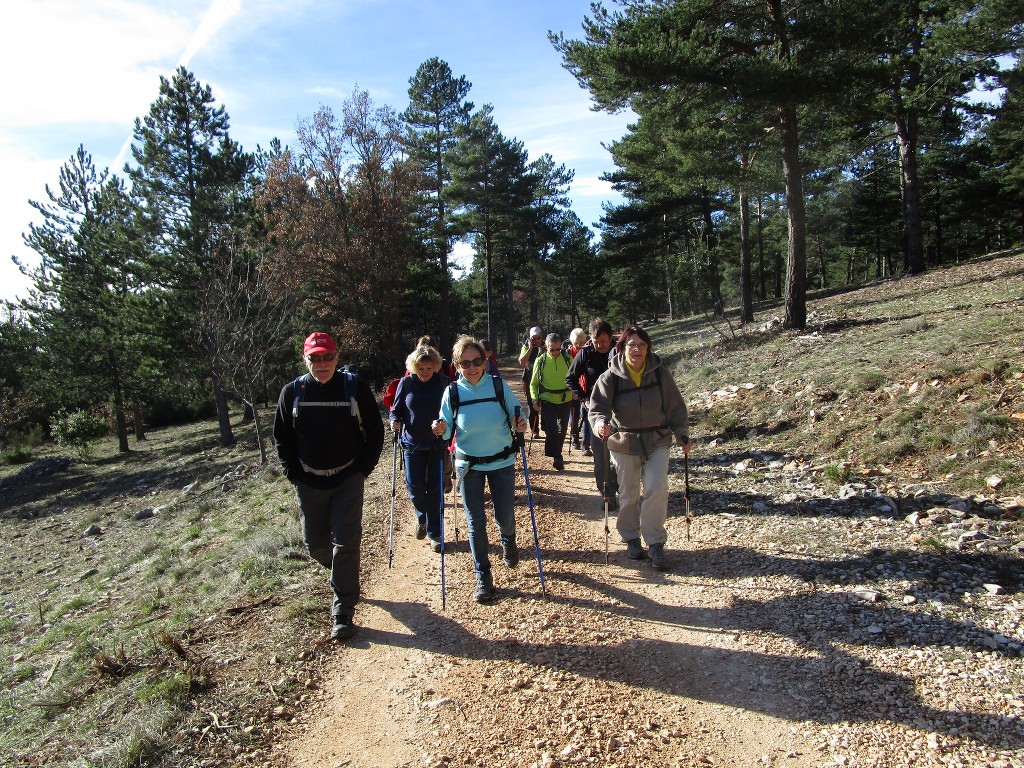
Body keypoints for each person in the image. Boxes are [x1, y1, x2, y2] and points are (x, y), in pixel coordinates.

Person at [274, 331, 385, 640]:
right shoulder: (292, 393)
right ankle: (343, 575)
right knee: (316, 545)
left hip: (348, 477)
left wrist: (363, 470)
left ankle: (343, 611)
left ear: (337, 357)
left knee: (345, 543)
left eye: (328, 357)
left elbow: (375, 430)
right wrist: (293, 474)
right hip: (309, 481)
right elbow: (281, 437)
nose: (322, 364)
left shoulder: (353, 387)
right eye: (315, 358)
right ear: (305, 359)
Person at [432, 336, 529, 603]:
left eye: (477, 361)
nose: (472, 367)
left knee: (506, 514)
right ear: (456, 365)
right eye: (465, 363)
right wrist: (440, 429)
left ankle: (508, 540)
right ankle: (483, 576)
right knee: (475, 523)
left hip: (502, 463)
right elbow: (446, 429)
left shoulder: (498, 385)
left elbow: (518, 411)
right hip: (468, 465)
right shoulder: (452, 392)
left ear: (485, 362)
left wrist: (520, 421)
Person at [588, 325, 690, 571]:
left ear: (648, 348)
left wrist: (682, 433)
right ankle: (631, 538)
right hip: (624, 441)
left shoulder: (659, 374)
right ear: (621, 348)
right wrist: (601, 424)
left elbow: (676, 406)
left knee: (657, 488)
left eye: (642, 345)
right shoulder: (610, 377)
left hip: (657, 439)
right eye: (632, 345)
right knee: (628, 493)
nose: (637, 350)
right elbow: (597, 408)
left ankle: (655, 542)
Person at [389, 345, 451, 552]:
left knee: (435, 490)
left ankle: (435, 534)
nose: (425, 372)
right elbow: (395, 409)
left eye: (429, 368)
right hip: (411, 444)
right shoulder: (406, 383)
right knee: (414, 488)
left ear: (435, 366)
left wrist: (446, 427)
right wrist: (394, 421)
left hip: (436, 444)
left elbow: (452, 411)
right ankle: (421, 518)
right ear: (414, 367)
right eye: (421, 368)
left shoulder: (443, 383)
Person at [566, 319, 618, 505]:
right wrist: (584, 398)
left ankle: (619, 484)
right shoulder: (586, 352)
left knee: (623, 453)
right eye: (596, 342)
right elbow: (570, 378)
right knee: (600, 453)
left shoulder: (620, 350)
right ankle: (607, 493)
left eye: (603, 342)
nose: (599, 345)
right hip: (596, 410)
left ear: (611, 337)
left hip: (620, 410)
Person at [530, 332, 575, 471]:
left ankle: (556, 454)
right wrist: (534, 399)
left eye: (557, 349)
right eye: (552, 349)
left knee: (562, 430)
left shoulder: (568, 359)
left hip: (566, 399)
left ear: (561, 346)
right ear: (546, 347)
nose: (555, 352)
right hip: (547, 399)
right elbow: (534, 383)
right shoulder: (540, 360)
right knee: (552, 430)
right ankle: (557, 456)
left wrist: (575, 392)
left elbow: (575, 378)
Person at [517, 326, 543, 434]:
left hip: (544, 381)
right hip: (529, 380)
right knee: (532, 405)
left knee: (545, 405)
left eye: (538, 338)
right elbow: (522, 362)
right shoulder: (526, 346)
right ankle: (534, 429)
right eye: (534, 338)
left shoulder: (547, 346)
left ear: (542, 337)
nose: (536, 341)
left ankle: (545, 426)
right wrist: (530, 348)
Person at [565, 328, 587, 450]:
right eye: (576, 343)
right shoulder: (567, 354)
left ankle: (586, 440)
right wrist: (572, 390)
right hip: (572, 387)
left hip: (585, 387)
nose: (579, 345)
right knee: (574, 414)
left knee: (584, 414)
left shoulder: (587, 352)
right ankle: (574, 437)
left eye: (581, 342)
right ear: (572, 343)